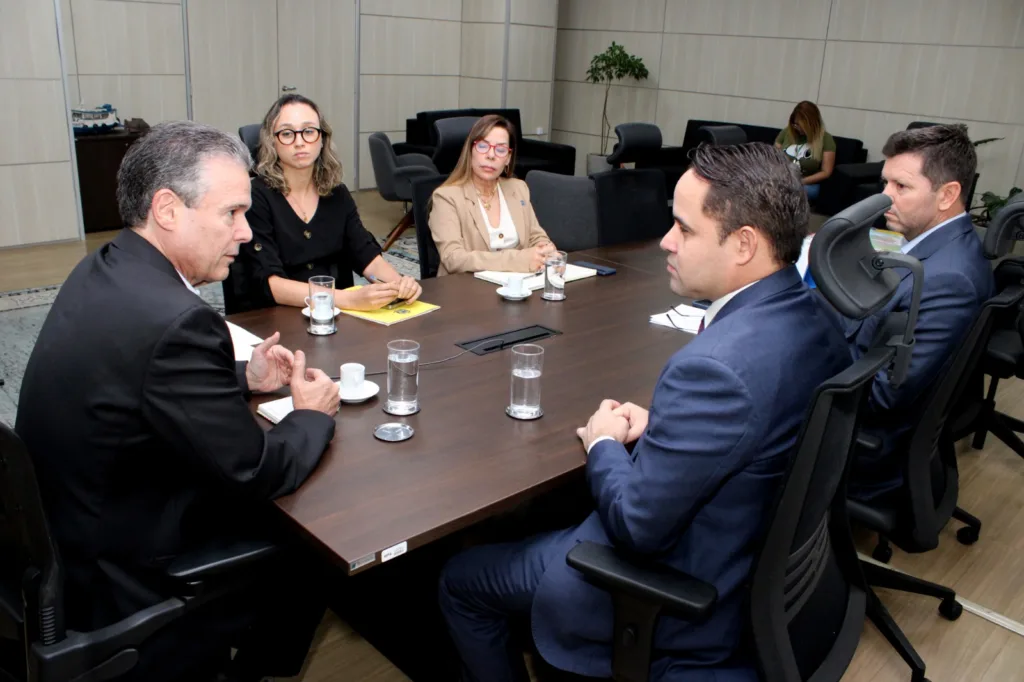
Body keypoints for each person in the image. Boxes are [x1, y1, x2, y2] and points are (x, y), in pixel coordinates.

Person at [438, 143, 853, 681]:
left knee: (460, 579)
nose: (666, 241)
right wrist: (665, 425)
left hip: (689, 593)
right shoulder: (817, 317)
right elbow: (767, 424)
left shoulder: (716, 370)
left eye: (684, 229)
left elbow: (637, 526)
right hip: (753, 561)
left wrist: (605, 443)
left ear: (745, 244)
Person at [16, 121, 341, 682]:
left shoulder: (108, 266)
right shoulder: (179, 321)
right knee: (316, 543)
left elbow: (140, 375)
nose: (246, 233)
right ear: (167, 209)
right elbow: (254, 470)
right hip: (125, 569)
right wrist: (311, 414)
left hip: (65, 527)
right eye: (231, 213)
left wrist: (246, 376)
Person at [845, 123, 994, 501]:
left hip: (868, 452)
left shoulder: (948, 280)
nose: (884, 197)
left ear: (948, 195)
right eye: (885, 183)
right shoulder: (941, 250)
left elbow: (883, 396)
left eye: (901, 187)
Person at [241, 94, 421, 310]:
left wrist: (398, 283)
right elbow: (271, 284)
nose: (299, 142)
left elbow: (366, 257)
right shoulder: (255, 197)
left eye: (308, 131)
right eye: (287, 134)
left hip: (337, 320)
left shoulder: (337, 193)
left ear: (322, 138)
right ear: (272, 141)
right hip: (278, 318)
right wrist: (347, 300)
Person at [429, 114, 556, 276]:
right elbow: (453, 258)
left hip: (519, 286)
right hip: (466, 289)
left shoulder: (518, 188)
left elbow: (536, 236)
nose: (491, 155)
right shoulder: (447, 197)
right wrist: (517, 260)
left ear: (508, 158)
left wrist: (547, 252)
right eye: (483, 146)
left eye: (501, 150)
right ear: (470, 151)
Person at [775, 100, 836, 201]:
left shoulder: (826, 139)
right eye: (795, 124)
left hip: (808, 184)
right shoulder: (787, 132)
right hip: (783, 179)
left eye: (800, 125)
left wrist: (801, 181)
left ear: (811, 124)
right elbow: (773, 157)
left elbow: (826, 172)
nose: (797, 128)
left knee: (786, 192)